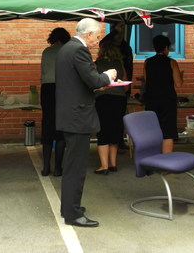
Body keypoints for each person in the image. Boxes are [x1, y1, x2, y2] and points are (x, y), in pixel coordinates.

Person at [55, 18, 117, 228]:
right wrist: (108, 76)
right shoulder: (79, 51)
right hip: (77, 117)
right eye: (97, 37)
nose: (98, 42)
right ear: (88, 34)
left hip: (70, 114)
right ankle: (72, 214)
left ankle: (70, 208)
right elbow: (93, 79)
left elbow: (77, 83)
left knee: (73, 165)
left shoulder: (66, 49)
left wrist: (98, 84)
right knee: (76, 168)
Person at [93, 41, 129, 175]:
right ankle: (113, 164)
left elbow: (92, 82)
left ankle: (104, 166)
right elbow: (126, 86)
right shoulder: (120, 65)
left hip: (103, 99)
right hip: (119, 100)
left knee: (103, 131)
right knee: (115, 130)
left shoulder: (96, 64)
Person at [143, 35, 183, 153]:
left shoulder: (147, 62)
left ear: (155, 48)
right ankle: (166, 163)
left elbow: (146, 80)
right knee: (168, 132)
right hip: (167, 100)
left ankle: (152, 159)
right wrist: (181, 76)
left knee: (152, 130)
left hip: (151, 99)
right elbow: (179, 83)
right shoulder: (171, 62)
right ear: (166, 47)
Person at [40, 27, 71, 177]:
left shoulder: (46, 52)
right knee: (60, 130)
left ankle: (46, 168)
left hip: (46, 90)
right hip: (63, 89)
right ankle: (58, 168)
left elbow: (43, 73)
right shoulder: (68, 51)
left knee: (47, 126)